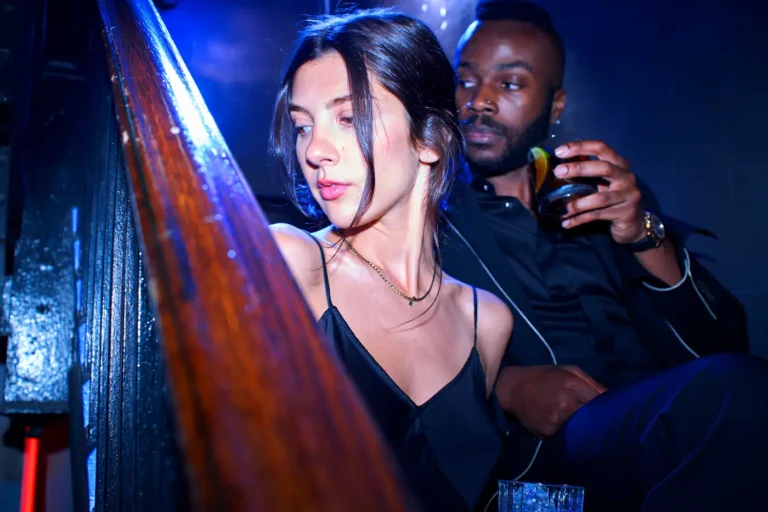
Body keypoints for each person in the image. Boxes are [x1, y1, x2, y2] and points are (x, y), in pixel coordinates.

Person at [439, 1, 768, 511]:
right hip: (529, 487)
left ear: (556, 106)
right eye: (465, 80)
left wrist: (642, 235)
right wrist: (501, 387)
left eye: (510, 84)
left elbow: (724, 345)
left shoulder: (605, 196)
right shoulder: (429, 213)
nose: (478, 100)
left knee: (739, 395)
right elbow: (376, 351)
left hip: (662, 436)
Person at [268, 9, 513, 512]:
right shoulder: (292, 263)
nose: (314, 149)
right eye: (301, 125)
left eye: (349, 117)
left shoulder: (486, 321)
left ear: (430, 139)